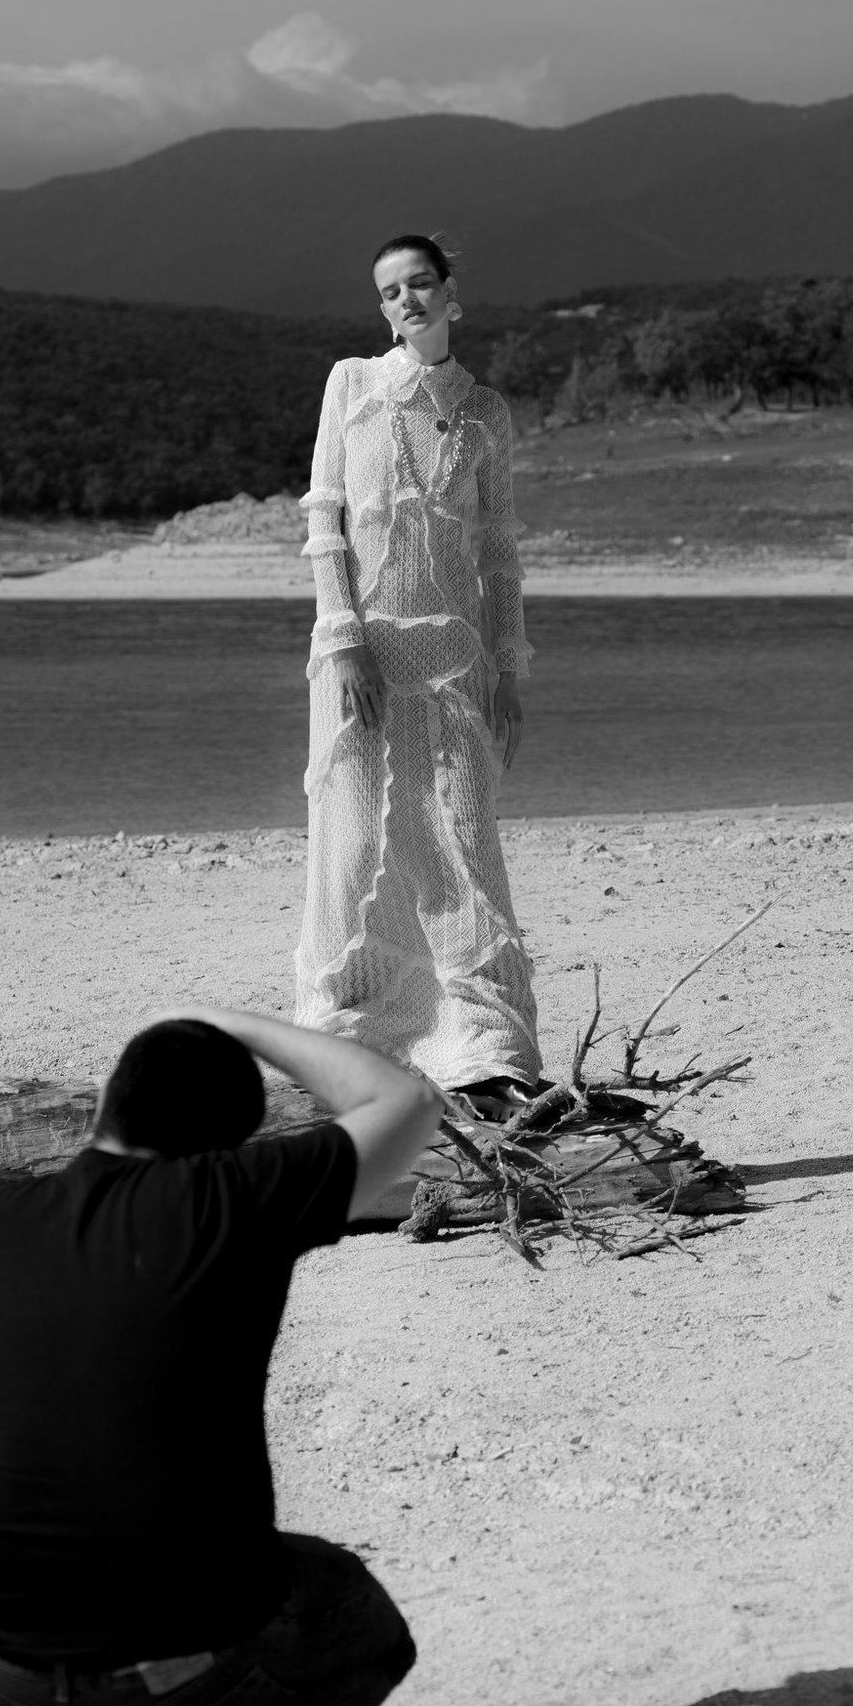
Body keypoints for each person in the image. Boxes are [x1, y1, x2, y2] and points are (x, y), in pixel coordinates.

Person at [0, 1007, 440, 1706]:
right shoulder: (230, 1198)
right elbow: (407, 1101)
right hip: (172, 1646)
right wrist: (233, 1022)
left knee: (26, 1515)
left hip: (0, 1643)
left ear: (106, 1104)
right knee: (357, 1621)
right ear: (220, 1147)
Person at [295, 233, 544, 1121]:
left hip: (455, 666)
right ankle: (357, 1048)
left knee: (465, 849)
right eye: (390, 291)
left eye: (420, 283)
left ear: (449, 293)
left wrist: (508, 671)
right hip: (360, 663)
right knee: (357, 851)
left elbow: (500, 553)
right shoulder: (351, 385)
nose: (406, 300)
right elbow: (324, 520)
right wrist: (345, 643)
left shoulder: (487, 412)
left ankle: (485, 1053)